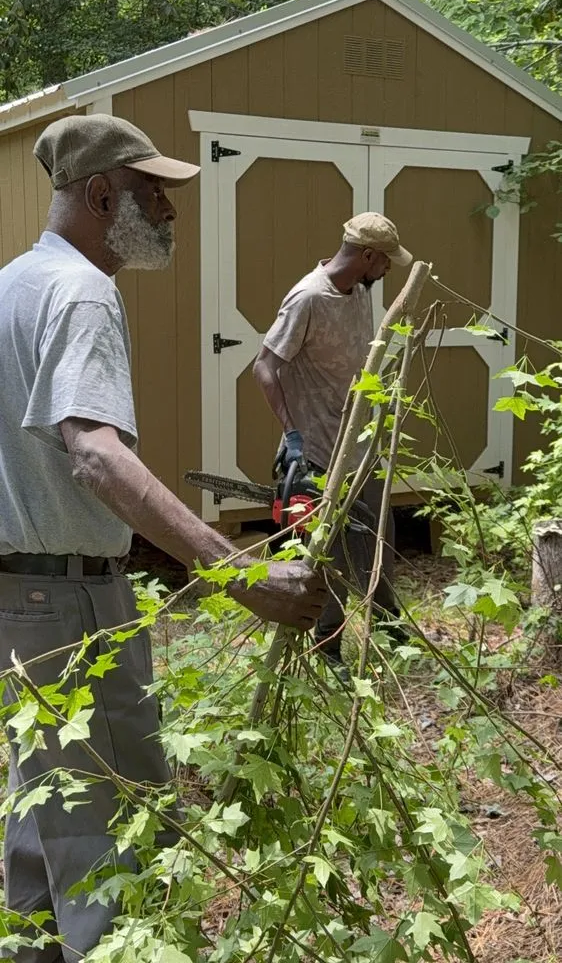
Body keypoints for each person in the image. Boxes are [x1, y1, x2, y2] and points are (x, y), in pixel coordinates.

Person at [0, 113, 326, 963]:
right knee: (116, 825)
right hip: (69, 600)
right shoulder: (82, 292)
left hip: (17, 598)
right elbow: (96, 455)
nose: (171, 212)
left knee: (47, 808)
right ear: (101, 194)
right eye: (154, 193)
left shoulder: (14, 284)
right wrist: (240, 575)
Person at [253, 212, 412, 680]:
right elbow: (263, 367)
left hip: (362, 441)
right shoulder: (307, 298)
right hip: (320, 449)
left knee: (377, 539)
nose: (389, 270)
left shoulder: (360, 290)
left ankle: (389, 624)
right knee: (330, 554)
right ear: (366, 255)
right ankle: (328, 647)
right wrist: (292, 433)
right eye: (385, 261)